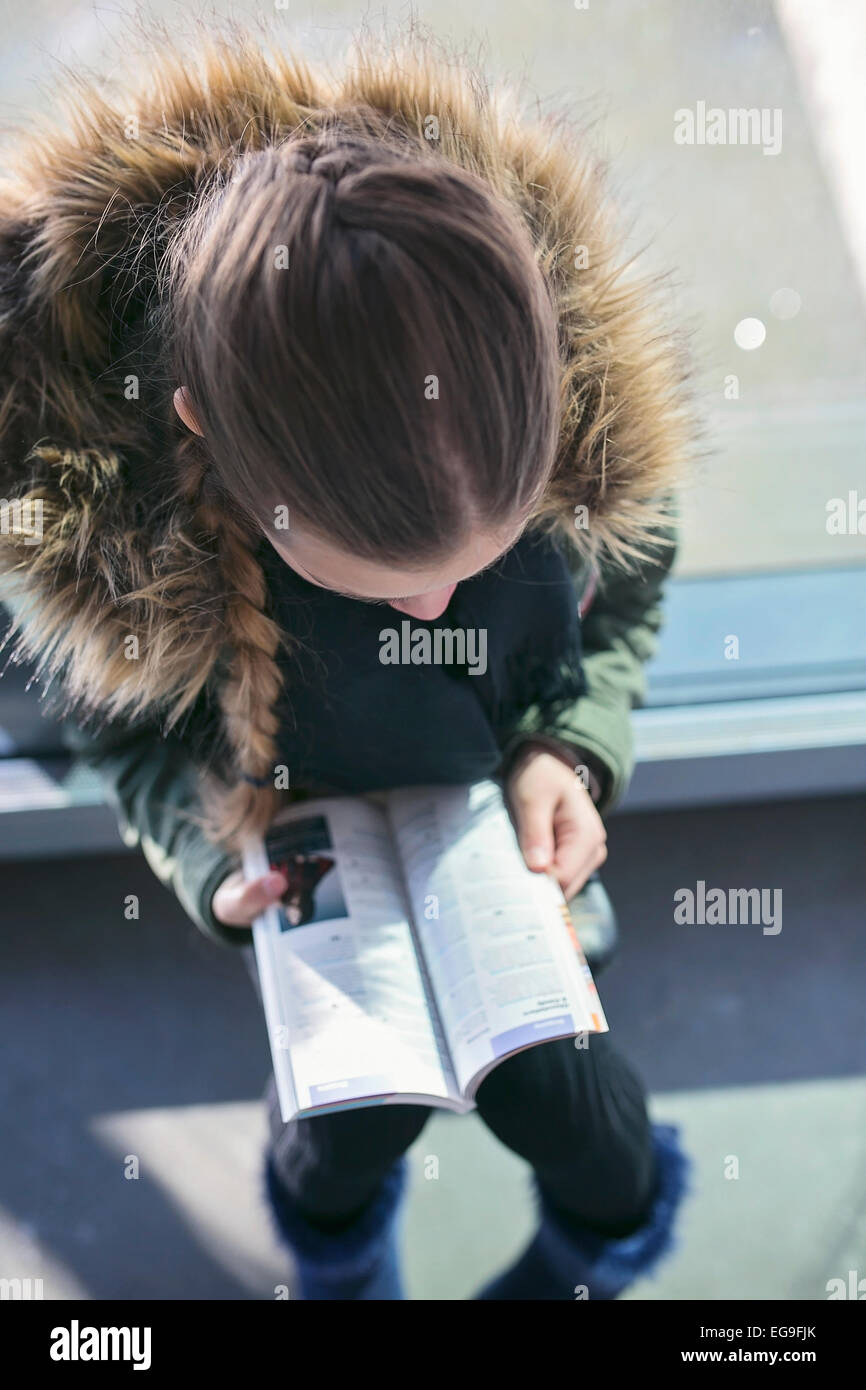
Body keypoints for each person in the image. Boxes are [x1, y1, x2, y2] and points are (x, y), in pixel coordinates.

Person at [0, 25, 692, 1300]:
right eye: (385, 579)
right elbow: (126, 737)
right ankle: (343, 1272)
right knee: (335, 1141)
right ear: (208, 438)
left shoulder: (577, 447)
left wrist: (570, 750)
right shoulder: (127, 542)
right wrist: (213, 863)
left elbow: (622, 612)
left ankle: (573, 1273)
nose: (435, 607)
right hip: (316, 895)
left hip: (503, 856)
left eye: (475, 559)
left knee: (583, 1119)